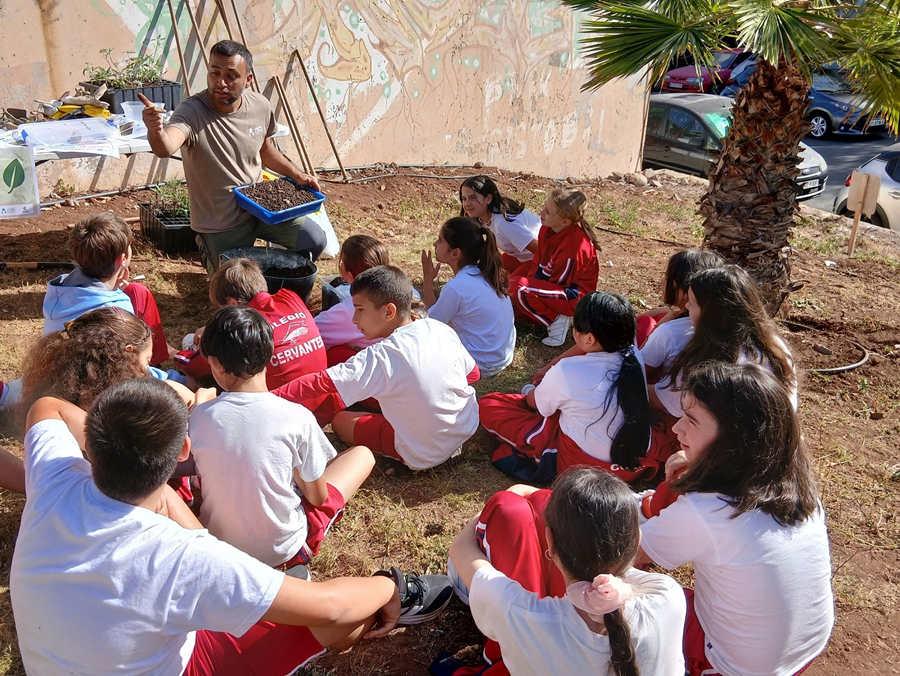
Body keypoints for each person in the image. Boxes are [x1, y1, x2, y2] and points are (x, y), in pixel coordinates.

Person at [11, 377, 453, 676]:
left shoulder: (52, 479)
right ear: (184, 448)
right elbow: (331, 608)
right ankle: (406, 593)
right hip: (186, 660)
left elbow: (47, 407)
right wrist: (389, 587)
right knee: (341, 621)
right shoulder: (183, 560)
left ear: (95, 446)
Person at [639, 363, 834, 676]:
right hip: (801, 653)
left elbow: (628, 553)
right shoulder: (797, 488)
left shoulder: (707, 511)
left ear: (732, 441)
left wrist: (671, 488)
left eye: (691, 420)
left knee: (625, 601)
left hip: (729, 667)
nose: (677, 428)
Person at [438, 469, 686, 676]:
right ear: (637, 540)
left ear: (550, 543)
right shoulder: (669, 597)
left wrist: (490, 508)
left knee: (509, 508)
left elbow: (460, 548)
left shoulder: (521, 615)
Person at [189, 305, 375, 568]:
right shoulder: (296, 417)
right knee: (362, 455)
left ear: (216, 365)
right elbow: (317, 498)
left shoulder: (199, 418)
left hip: (221, 553)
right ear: (269, 354)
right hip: (285, 553)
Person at [140, 40, 326, 273]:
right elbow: (165, 148)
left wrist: (297, 174)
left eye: (231, 76)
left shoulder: (259, 106)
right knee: (232, 285)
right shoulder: (191, 111)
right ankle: (211, 252)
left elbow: (265, 150)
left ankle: (275, 279)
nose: (221, 82)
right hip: (220, 223)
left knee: (314, 241)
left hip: (261, 209)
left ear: (248, 79)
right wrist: (155, 131)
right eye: (214, 72)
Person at [275, 266, 480, 471]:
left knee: (340, 422)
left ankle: (399, 458)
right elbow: (473, 373)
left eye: (360, 310)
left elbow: (319, 383)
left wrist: (266, 399)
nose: (355, 319)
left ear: (389, 311)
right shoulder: (437, 327)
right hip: (466, 427)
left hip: (424, 453)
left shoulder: (381, 357)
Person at [480, 292, 661, 484]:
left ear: (590, 339)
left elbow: (536, 405)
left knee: (489, 404)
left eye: (576, 327)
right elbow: (586, 350)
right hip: (631, 467)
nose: (574, 332)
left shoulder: (568, 372)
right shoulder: (633, 355)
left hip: (583, 468)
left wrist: (528, 390)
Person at [651, 264, 797, 420]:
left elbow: (660, 400)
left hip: (726, 441)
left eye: (691, 303)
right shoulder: (775, 347)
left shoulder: (704, 360)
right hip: (777, 437)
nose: (686, 306)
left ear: (709, 315)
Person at [175, 257, 327, 391]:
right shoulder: (290, 297)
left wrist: (173, 354)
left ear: (232, 302)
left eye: (220, 309)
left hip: (280, 405)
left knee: (190, 342)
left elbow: (198, 364)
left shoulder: (243, 330)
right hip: (318, 393)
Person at [42, 211, 170, 366]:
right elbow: (128, 365)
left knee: (137, 290)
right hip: (99, 379)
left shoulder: (60, 287)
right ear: (122, 259)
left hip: (59, 370)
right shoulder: (118, 309)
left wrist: (113, 290)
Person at [421, 217, 516, 376]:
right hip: (502, 358)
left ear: (455, 253)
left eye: (440, 240)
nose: (435, 245)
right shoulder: (485, 273)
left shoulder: (456, 287)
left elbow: (430, 325)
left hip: (480, 365)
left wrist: (427, 280)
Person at [508, 188, 600, 346]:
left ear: (565, 222)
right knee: (509, 273)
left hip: (572, 296)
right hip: (553, 283)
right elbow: (538, 262)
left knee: (517, 287)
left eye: (547, 211)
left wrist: (525, 291)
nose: (541, 212)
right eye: (544, 206)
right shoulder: (547, 228)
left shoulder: (574, 247)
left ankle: (556, 320)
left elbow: (559, 284)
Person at [639, 249, 724, 381]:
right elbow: (665, 311)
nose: (662, 282)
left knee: (643, 327)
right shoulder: (722, 321)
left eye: (667, 277)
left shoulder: (668, 332)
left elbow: (636, 372)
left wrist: (656, 329)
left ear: (686, 290)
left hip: (668, 398)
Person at [316, 234, 391, 366]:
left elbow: (310, 333)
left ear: (349, 275)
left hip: (383, 371)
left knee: (334, 354)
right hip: (399, 361)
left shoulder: (350, 310)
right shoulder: (409, 291)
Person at [458, 175, 541, 273]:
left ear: (488, 199)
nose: (467, 204)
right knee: (489, 274)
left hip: (540, 258)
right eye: (464, 198)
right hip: (522, 257)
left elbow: (541, 250)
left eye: (473, 197)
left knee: (511, 286)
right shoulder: (484, 218)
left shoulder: (504, 224)